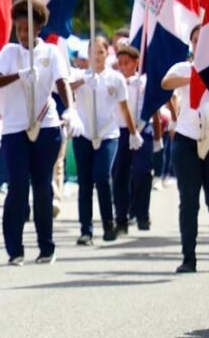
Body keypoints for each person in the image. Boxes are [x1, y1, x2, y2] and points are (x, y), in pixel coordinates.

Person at [0, 0, 82, 265]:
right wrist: (18, 74)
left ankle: (46, 246)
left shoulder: (51, 53)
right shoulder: (9, 53)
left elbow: (62, 82)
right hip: (16, 128)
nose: (23, 33)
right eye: (19, 28)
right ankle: (15, 249)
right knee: (17, 186)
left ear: (39, 27)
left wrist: (71, 109)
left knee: (42, 187)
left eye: (28, 28)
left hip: (46, 125)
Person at [69, 37, 143, 245]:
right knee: (85, 182)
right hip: (84, 133)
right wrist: (84, 81)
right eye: (93, 52)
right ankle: (86, 230)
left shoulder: (116, 79)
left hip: (107, 133)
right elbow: (66, 86)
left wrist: (133, 132)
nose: (97, 57)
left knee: (101, 177)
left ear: (106, 54)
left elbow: (123, 106)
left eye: (100, 52)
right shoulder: (81, 75)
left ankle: (108, 224)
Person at [161, 26, 207, 273]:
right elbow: (165, 82)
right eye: (196, 40)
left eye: (204, 39)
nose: (200, 43)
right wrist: (196, 76)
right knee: (188, 201)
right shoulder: (183, 68)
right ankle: (188, 257)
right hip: (187, 138)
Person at [112, 45, 161, 232]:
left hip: (143, 129)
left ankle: (142, 213)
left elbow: (153, 108)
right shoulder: (115, 81)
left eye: (127, 63)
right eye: (121, 63)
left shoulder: (144, 82)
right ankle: (122, 218)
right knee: (119, 175)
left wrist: (157, 137)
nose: (124, 67)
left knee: (142, 172)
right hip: (121, 130)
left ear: (136, 63)